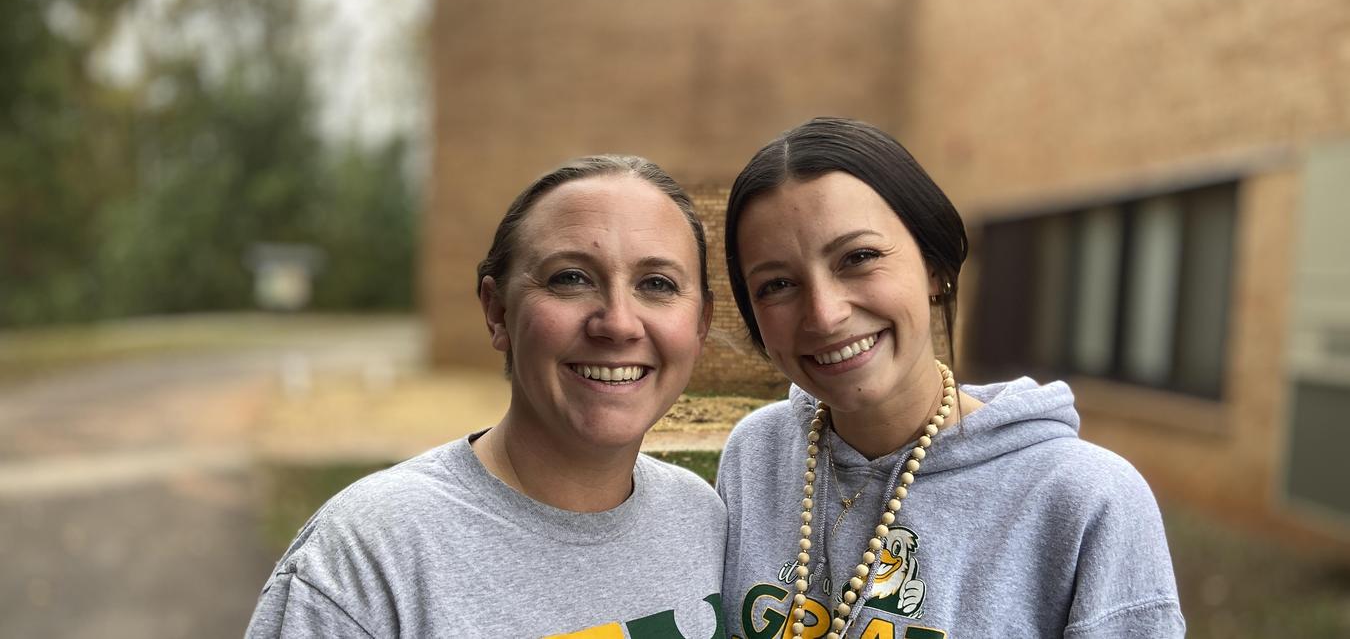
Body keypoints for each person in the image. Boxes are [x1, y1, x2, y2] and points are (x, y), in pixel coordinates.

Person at [716, 118, 1185, 638]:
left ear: (934, 267)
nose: (824, 315)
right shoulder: (757, 454)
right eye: (778, 284)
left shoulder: (1086, 499)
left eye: (859, 258)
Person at [246, 155, 728, 638]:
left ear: (700, 324)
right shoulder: (367, 556)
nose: (618, 323)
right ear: (497, 312)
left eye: (657, 284)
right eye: (571, 278)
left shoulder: (700, 519)